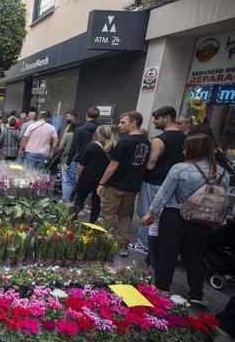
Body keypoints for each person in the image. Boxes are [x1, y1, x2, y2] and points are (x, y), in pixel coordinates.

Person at [142, 134, 229, 307]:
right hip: (205, 219)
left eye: (186, 147)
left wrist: (151, 213)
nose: (183, 151)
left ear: (193, 149)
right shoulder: (222, 172)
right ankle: (197, 293)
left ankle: (163, 287)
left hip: (176, 215)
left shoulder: (180, 168)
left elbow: (163, 194)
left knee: (168, 251)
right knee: (195, 255)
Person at [130, 106, 186, 255]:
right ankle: (155, 244)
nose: (154, 122)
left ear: (167, 118)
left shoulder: (159, 140)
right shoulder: (185, 138)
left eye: (157, 118)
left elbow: (150, 165)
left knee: (147, 213)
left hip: (154, 181)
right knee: (163, 217)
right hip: (175, 184)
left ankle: (144, 244)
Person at [97, 111, 151, 257]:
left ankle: (105, 245)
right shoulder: (146, 142)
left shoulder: (124, 142)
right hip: (132, 187)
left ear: (133, 123)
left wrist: (102, 183)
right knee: (125, 216)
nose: (119, 125)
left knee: (108, 215)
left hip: (116, 186)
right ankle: (123, 246)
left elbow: (113, 165)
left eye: (123, 122)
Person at [73, 124, 119, 223]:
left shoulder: (92, 145)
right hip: (102, 179)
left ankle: (72, 220)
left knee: (79, 199)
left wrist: (77, 176)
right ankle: (91, 224)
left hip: (87, 177)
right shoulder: (114, 147)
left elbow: (82, 164)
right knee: (97, 203)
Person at [64, 107, 100, 202]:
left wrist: (68, 163)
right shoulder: (100, 130)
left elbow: (74, 149)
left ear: (86, 115)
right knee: (85, 185)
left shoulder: (80, 130)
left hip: (78, 159)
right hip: (94, 161)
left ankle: (65, 203)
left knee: (69, 182)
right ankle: (81, 206)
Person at [58, 120, 79, 201]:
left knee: (66, 181)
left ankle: (65, 199)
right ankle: (72, 196)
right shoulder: (81, 135)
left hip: (66, 159)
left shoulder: (67, 135)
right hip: (78, 161)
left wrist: (55, 153)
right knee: (73, 180)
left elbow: (61, 147)